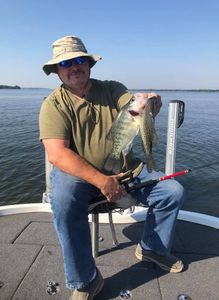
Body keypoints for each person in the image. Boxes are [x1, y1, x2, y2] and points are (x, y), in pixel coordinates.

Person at [39, 35, 185, 300]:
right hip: (79, 177)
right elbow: (57, 154)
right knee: (62, 199)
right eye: (66, 63)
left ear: (89, 64)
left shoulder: (112, 89)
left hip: (126, 170)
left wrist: (151, 102)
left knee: (172, 191)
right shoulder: (53, 105)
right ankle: (85, 280)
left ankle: (152, 247)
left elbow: (135, 109)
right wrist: (100, 180)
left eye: (79, 59)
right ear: (56, 70)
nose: (74, 66)